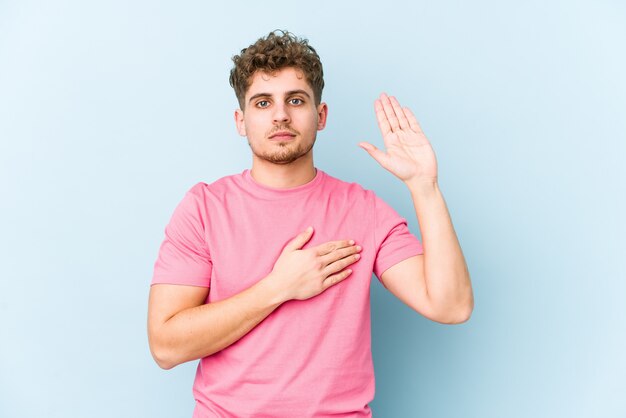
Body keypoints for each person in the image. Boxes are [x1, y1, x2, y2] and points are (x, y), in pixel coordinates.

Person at [147, 30, 473, 417]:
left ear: (320, 116)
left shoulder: (363, 209)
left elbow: (450, 306)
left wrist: (425, 186)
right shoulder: (204, 208)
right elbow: (166, 346)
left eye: (295, 100)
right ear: (241, 120)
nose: (280, 114)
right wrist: (278, 288)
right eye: (263, 102)